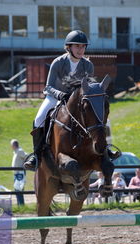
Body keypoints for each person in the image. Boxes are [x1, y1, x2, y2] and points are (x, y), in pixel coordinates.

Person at [23, 30, 119, 171]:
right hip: (56, 97)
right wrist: (61, 94)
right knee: (39, 118)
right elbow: (48, 87)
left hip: (77, 100)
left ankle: (104, 151)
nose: (81, 50)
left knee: (98, 118)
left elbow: (88, 88)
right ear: (69, 47)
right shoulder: (58, 63)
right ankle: (36, 155)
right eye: (77, 46)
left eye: (83, 46)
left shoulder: (88, 65)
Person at [11, 139, 28, 206]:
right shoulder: (16, 152)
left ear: (14, 145)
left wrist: (23, 165)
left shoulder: (20, 151)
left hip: (20, 173)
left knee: (19, 189)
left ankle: (21, 205)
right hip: (17, 173)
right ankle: (20, 204)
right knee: (17, 189)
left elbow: (26, 156)